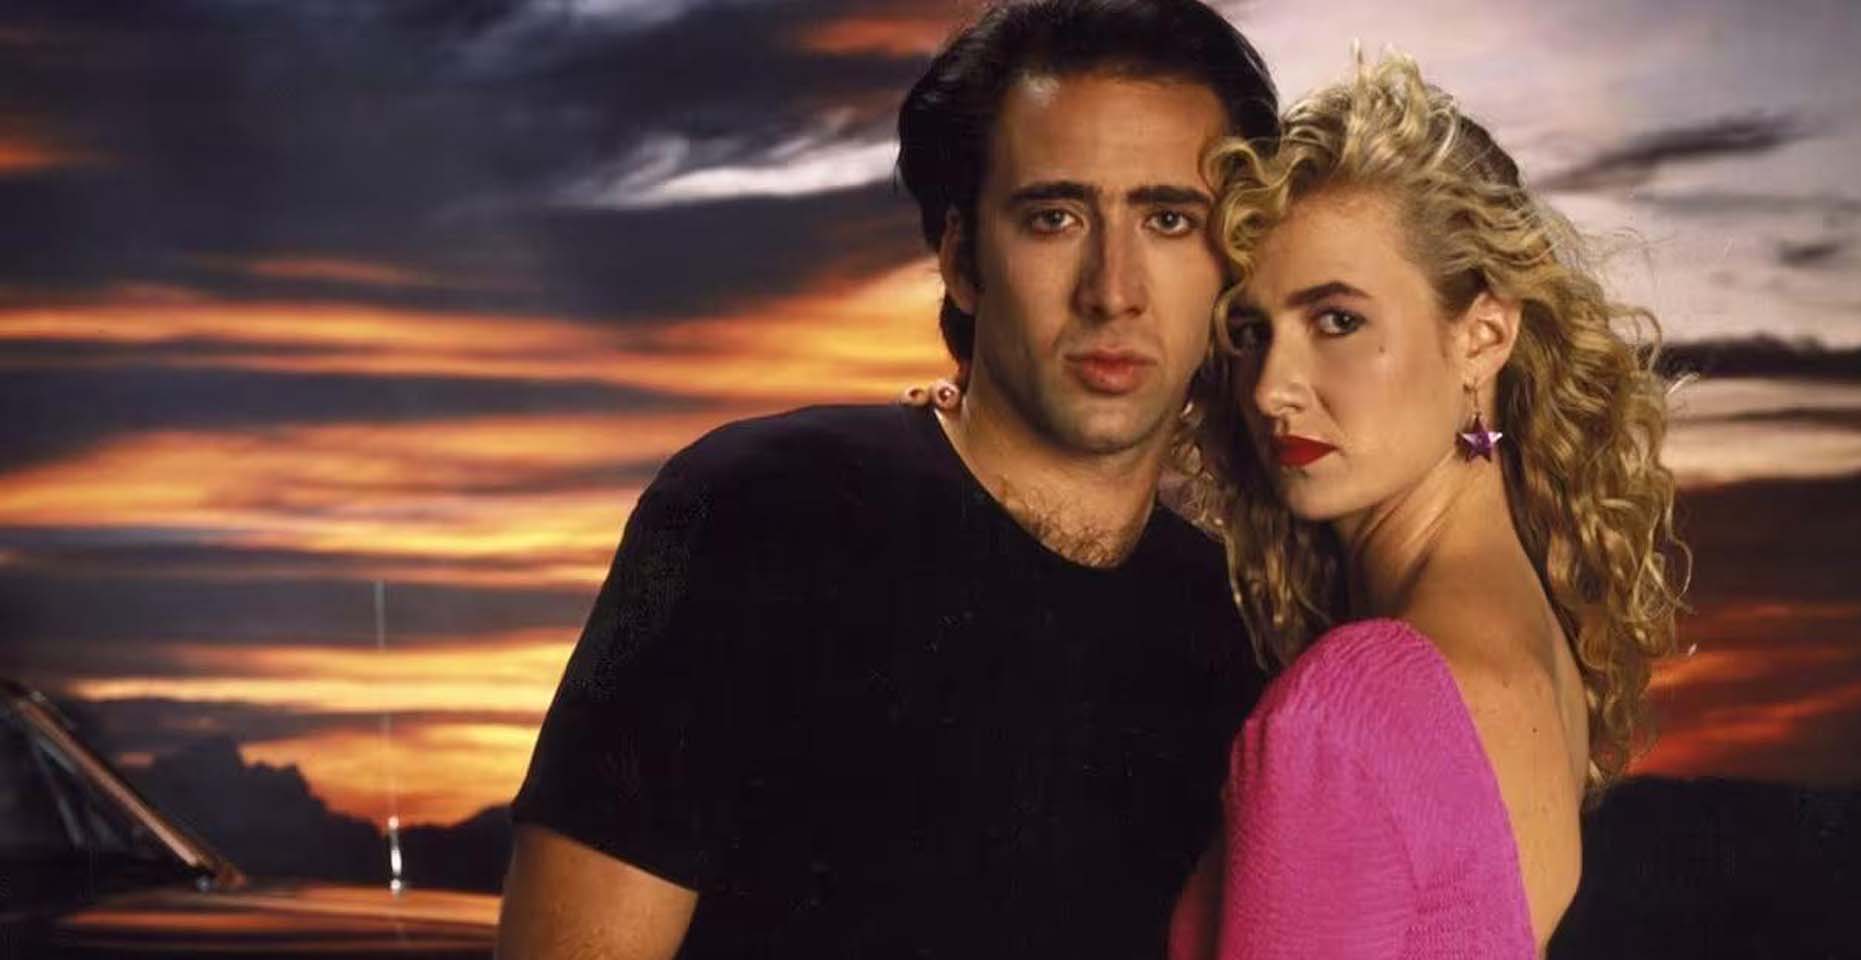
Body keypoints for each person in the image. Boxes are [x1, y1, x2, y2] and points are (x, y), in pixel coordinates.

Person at [494, 2, 1280, 957]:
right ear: (962, 260)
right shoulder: (754, 512)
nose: (1113, 290)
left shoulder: (1237, 633)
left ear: (1233, 265)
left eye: (1168, 220)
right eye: (1054, 217)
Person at [1164, 54, 1690, 958]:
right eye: (1251, 332)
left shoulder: (1341, 719)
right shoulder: (1541, 646)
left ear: (1482, 337)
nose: (1272, 387)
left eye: (1338, 320)